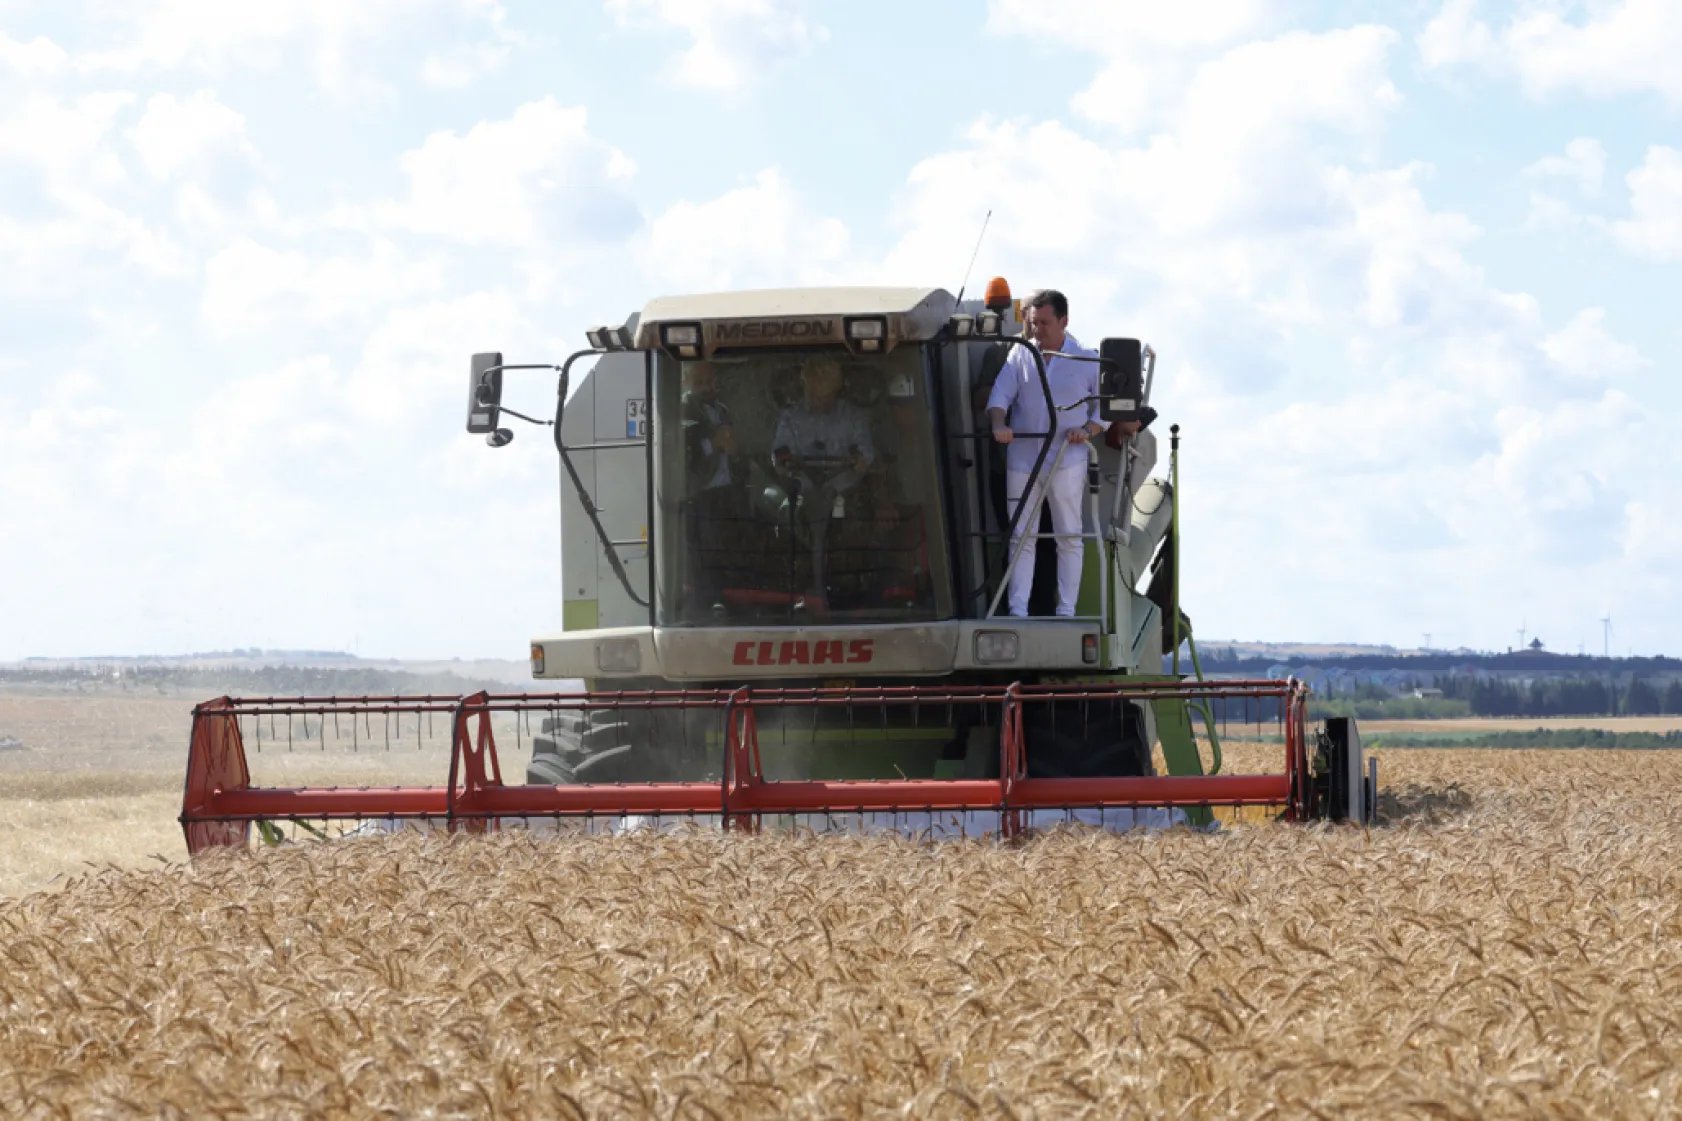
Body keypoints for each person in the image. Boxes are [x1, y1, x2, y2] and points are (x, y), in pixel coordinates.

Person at [986, 289, 1102, 618]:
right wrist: (999, 424)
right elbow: (999, 396)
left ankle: (1066, 611)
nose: (1037, 330)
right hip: (1023, 458)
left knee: (1068, 536)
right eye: (1033, 323)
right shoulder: (1020, 354)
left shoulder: (1086, 359)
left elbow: (1105, 409)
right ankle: (1017, 611)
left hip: (1067, 457)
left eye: (1044, 323)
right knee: (1021, 536)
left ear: (1064, 321)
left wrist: (1087, 431)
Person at [681, 361, 736, 493]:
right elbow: (682, 458)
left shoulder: (723, 410)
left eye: (710, 381)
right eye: (699, 383)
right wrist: (713, 444)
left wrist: (735, 450)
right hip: (701, 494)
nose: (706, 388)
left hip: (729, 490)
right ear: (686, 383)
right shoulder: (682, 412)